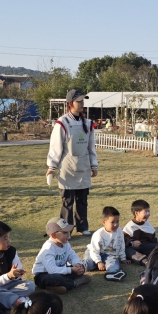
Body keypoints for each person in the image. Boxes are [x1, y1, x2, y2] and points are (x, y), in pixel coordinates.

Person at [46, 89, 98, 236]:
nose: (82, 104)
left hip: (83, 166)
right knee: (67, 202)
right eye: (79, 101)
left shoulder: (87, 123)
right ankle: (65, 230)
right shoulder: (62, 123)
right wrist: (52, 166)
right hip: (67, 168)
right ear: (70, 103)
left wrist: (94, 164)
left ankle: (83, 227)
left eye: (83, 101)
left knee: (82, 200)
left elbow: (91, 147)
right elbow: (56, 147)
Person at [0, 220, 35, 308]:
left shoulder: (11, 251)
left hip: (10, 285)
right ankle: (16, 301)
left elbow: (18, 271)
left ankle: (8, 299)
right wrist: (8, 276)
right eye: (5, 238)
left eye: (9, 237)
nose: (9, 241)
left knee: (30, 285)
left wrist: (17, 274)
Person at [32, 217, 91, 293]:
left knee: (81, 268)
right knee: (56, 278)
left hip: (59, 270)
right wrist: (71, 270)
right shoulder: (48, 248)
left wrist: (77, 264)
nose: (68, 234)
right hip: (43, 275)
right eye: (65, 232)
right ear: (53, 235)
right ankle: (74, 283)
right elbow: (52, 270)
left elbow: (72, 255)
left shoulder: (65, 243)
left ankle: (57, 286)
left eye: (69, 231)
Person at [84, 206, 131, 279]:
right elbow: (94, 250)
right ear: (104, 222)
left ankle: (112, 274)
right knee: (89, 265)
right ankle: (73, 265)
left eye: (117, 221)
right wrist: (99, 262)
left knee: (113, 262)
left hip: (109, 254)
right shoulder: (98, 234)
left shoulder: (120, 232)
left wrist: (123, 258)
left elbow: (121, 245)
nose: (115, 224)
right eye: (112, 222)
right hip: (95, 253)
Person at [123, 199, 158, 265]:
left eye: (149, 211)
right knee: (127, 250)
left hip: (145, 246)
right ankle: (145, 261)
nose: (148, 214)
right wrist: (132, 243)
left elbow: (153, 239)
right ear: (136, 213)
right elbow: (123, 240)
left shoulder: (148, 225)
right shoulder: (130, 226)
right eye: (145, 212)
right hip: (134, 249)